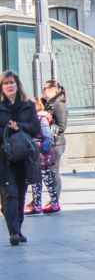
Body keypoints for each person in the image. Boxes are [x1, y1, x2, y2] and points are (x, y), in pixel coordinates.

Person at [0, 71, 41, 246]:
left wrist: (20, 127)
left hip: (23, 157)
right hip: (4, 158)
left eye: (12, 82)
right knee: (9, 194)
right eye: (6, 83)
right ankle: (14, 232)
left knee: (21, 195)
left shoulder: (28, 105)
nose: (9, 86)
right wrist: (8, 130)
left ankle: (18, 228)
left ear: (17, 85)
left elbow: (35, 128)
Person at [26, 97, 58, 217]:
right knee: (38, 179)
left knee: (45, 179)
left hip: (39, 153)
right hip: (36, 152)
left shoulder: (41, 119)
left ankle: (51, 204)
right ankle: (41, 205)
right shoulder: (35, 119)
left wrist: (42, 151)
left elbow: (48, 137)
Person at [41, 80, 67, 212]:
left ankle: (55, 201)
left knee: (53, 172)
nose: (42, 91)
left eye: (44, 88)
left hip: (56, 143)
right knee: (49, 172)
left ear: (52, 89)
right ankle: (53, 200)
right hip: (50, 142)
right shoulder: (49, 104)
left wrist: (46, 129)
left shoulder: (59, 105)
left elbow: (62, 126)